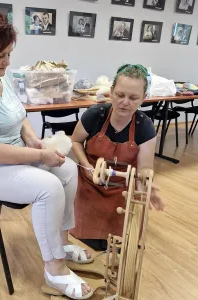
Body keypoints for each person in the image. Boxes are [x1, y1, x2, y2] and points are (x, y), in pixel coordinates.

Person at [0, 7, 93, 300]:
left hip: (5, 156)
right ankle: (55, 269)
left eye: (9, 54)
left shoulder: (0, 76)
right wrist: (38, 156)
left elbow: (19, 114)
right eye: (0, 56)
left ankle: (60, 243)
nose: (7, 61)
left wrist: (33, 140)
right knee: (48, 186)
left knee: (66, 169)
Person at [70, 64, 165, 251]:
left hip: (122, 188)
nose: (125, 102)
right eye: (120, 95)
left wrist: (147, 183)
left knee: (119, 244)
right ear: (111, 92)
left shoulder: (145, 126)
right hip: (90, 183)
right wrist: (86, 165)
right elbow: (75, 142)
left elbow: (145, 166)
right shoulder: (95, 115)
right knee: (88, 242)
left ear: (143, 99)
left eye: (133, 98)